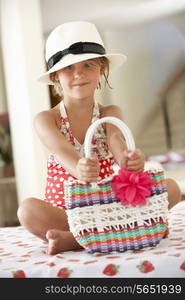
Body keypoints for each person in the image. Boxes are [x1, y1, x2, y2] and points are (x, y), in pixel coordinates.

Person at [17, 21, 181, 255]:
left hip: (106, 206)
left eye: (88, 65)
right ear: (55, 76)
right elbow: (62, 151)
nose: (79, 74)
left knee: (171, 188)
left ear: (102, 69)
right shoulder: (46, 119)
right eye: (69, 68)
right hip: (69, 211)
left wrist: (130, 160)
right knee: (28, 210)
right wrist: (79, 167)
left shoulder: (109, 114)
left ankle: (77, 240)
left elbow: (117, 143)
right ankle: (125, 230)